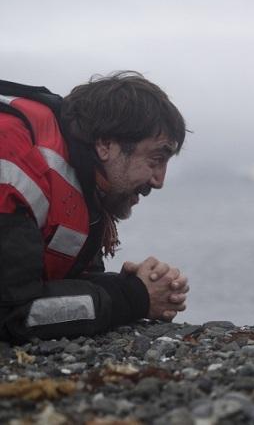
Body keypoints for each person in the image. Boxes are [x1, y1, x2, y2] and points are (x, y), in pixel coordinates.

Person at [0, 71, 190, 343]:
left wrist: (127, 286)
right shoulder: (12, 163)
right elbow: (13, 314)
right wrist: (133, 297)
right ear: (105, 144)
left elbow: (58, 284)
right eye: (155, 159)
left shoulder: (84, 182)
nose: (159, 181)